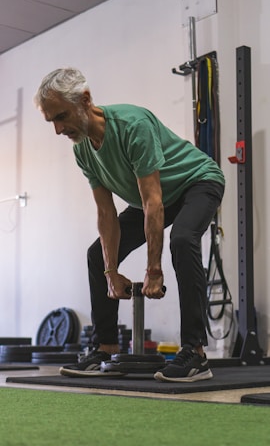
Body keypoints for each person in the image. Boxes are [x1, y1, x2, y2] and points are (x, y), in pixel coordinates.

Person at [34, 67, 225, 382]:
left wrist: (153, 269)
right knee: (97, 256)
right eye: (52, 120)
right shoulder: (82, 147)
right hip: (151, 199)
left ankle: (196, 352)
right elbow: (106, 214)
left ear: (85, 100)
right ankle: (105, 348)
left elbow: (153, 201)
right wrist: (111, 272)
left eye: (62, 116)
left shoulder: (132, 125)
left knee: (182, 239)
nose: (58, 129)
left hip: (197, 182)